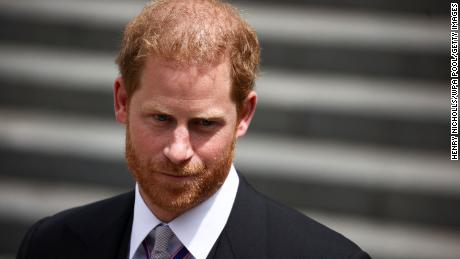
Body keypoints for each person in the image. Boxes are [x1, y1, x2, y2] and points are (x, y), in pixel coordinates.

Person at [17, 0, 371, 258]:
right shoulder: (50, 245)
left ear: (244, 115)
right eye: (160, 118)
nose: (178, 150)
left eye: (204, 124)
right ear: (122, 101)